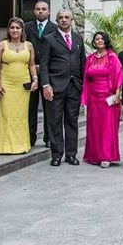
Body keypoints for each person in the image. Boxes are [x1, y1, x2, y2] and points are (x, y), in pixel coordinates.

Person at [40, 9, 85, 167]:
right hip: (55, 87)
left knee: (72, 122)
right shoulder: (49, 39)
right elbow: (44, 65)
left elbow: (82, 64)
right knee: (55, 122)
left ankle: (71, 155)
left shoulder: (78, 38)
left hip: (74, 87)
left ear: (72, 20)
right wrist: (46, 85)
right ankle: (57, 155)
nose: (64, 20)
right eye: (61, 18)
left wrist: (82, 86)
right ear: (57, 20)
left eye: (67, 17)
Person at [0, 18, 38, 154]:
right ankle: (5, 147)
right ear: (8, 29)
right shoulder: (2, 45)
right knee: (6, 115)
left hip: (23, 85)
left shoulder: (29, 45)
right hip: (6, 84)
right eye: (12, 28)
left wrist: (35, 79)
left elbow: (31, 65)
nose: (14, 30)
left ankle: (21, 145)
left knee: (21, 116)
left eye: (17, 28)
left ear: (22, 30)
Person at [81, 32, 123, 168]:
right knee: (94, 127)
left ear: (106, 41)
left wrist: (117, 95)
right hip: (93, 98)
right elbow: (86, 80)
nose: (99, 41)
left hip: (108, 98)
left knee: (107, 128)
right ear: (94, 42)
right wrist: (85, 100)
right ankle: (93, 155)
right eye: (97, 39)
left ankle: (106, 156)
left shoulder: (112, 57)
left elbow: (119, 76)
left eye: (101, 39)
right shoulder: (90, 59)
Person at [25, 1, 57, 148]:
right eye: (38, 9)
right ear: (34, 11)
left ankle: (48, 138)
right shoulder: (26, 27)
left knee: (48, 108)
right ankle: (30, 137)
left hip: (48, 73)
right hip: (28, 72)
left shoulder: (55, 29)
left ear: (49, 12)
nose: (40, 11)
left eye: (44, 9)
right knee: (30, 108)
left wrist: (43, 66)